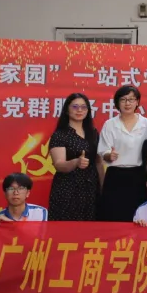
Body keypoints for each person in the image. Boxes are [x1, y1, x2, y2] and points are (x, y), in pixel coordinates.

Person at [98, 85, 147, 222]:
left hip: (138, 175)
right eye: (123, 99)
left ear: (137, 102)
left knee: (138, 215)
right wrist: (109, 155)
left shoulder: (146, 124)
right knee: (113, 215)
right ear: (117, 103)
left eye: (131, 99)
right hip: (115, 176)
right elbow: (103, 150)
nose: (127, 103)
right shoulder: (110, 124)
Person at [48, 92, 99, 221]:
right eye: (75, 106)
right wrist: (75, 162)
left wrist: (103, 186)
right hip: (68, 189)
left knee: (90, 227)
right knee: (66, 227)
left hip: (91, 188)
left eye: (83, 107)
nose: (79, 110)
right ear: (67, 110)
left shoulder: (93, 133)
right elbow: (58, 164)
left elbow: (98, 162)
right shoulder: (60, 135)